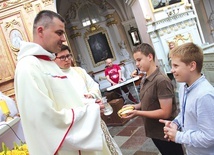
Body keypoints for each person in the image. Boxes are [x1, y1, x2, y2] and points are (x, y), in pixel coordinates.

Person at [14, 10, 122, 155]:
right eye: (59, 33)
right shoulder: (28, 67)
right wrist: (91, 111)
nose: (64, 39)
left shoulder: (49, 64)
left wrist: (91, 104)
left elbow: (68, 102)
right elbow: (44, 119)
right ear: (41, 31)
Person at [121, 43, 184, 155]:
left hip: (165, 133)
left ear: (150, 57)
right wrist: (135, 106)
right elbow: (148, 100)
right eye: (136, 60)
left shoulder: (161, 80)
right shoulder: (146, 77)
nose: (137, 64)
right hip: (154, 131)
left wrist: (137, 113)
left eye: (139, 60)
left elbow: (165, 113)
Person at [159, 42, 214, 155]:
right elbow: (186, 113)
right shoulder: (184, 87)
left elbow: (209, 137)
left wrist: (178, 136)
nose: (172, 70)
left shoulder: (204, 95)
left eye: (176, 66)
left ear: (192, 66)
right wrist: (176, 123)